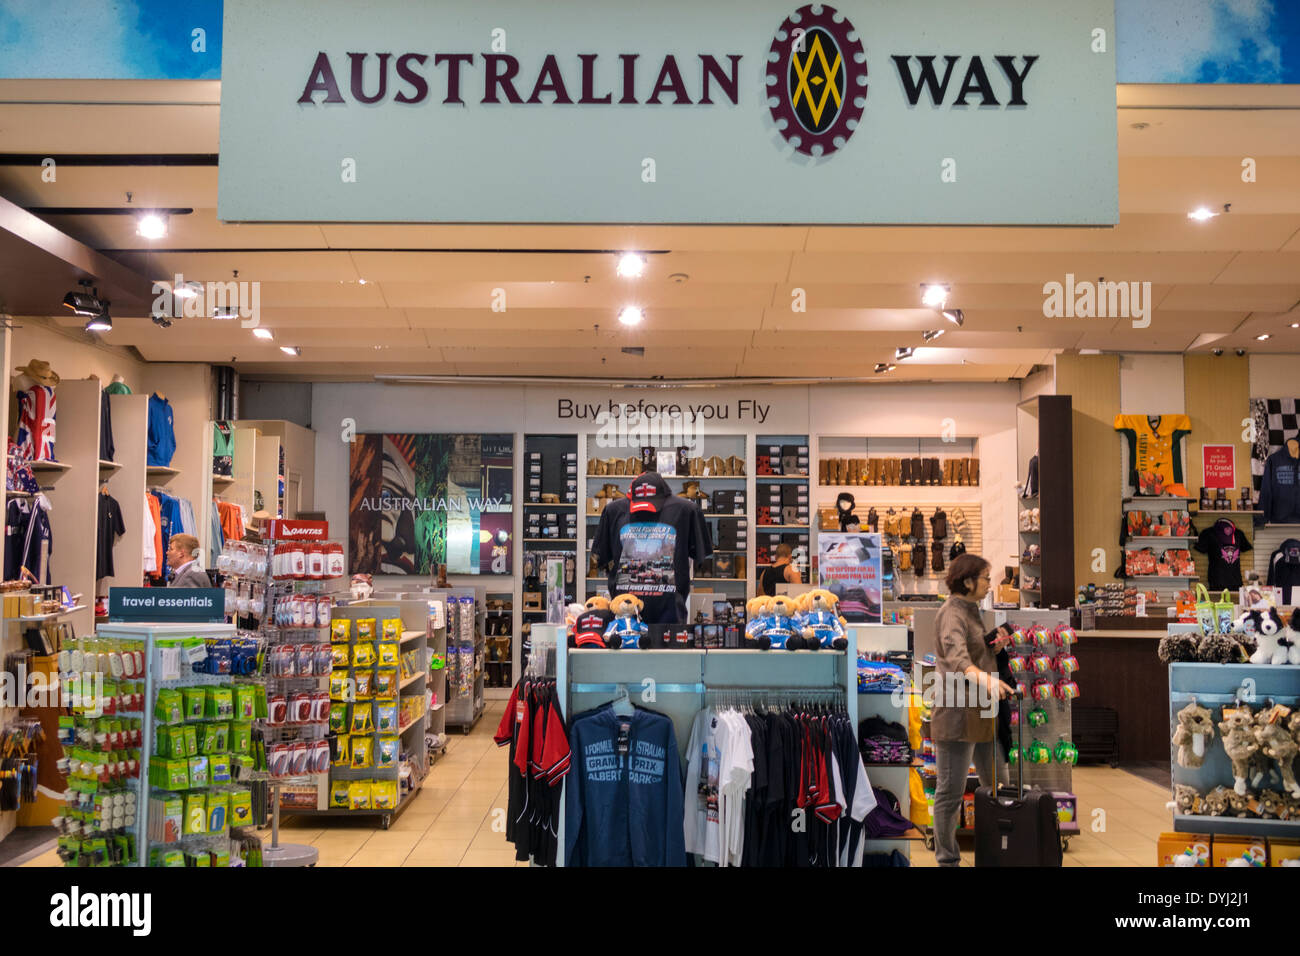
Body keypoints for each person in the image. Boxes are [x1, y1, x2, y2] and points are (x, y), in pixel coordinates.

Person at [931, 553, 1014, 866]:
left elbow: (973, 653)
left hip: (982, 711)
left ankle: (1002, 852)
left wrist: (995, 647)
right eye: (985, 578)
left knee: (999, 787)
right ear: (967, 581)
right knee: (950, 794)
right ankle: (947, 860)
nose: (989, 584)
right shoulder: (951, 613)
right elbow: (957, 659)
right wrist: (988, 681)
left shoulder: (972, 610)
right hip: (956, 714)